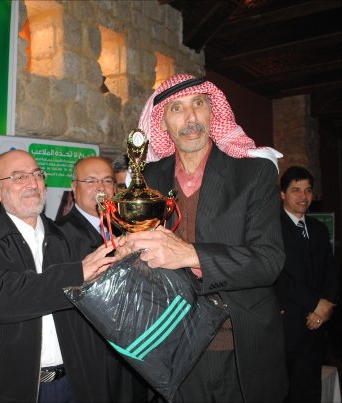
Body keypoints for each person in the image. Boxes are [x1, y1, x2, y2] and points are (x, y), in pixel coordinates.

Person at [121, 74, 288, 402]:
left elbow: (269, 261)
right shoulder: (148, 179)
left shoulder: (253, 173)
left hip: (237, 347)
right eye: (177, 109)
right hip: (171, 346)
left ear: (213, 112)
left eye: (199, 104)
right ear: (162, 123)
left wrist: (190, 254)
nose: (191, 118)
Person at [0, 149, 129, 402]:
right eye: (19, 177)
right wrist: (76, 273)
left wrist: (126, 265)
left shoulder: (66, 239)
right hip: (7, 389)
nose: (33, 183)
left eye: (37, 174)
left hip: (72, 385)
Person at [56, 156, 149, 402]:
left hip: (136, 348)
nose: (101, 188)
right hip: (93, 351)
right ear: (74, 188)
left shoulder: (129, 228)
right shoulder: (58, 236)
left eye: (107, 181)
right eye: (91, 181)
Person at [275, 166, 339, 402]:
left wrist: (326, 306)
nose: (303, 196)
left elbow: (331, 271)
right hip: (286, 329)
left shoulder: (319, 229)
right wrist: (315, 303)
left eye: (308, 190)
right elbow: (279, 275)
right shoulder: (271, 228)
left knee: (309, 393)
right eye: (296, 190)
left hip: (316, 328)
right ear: (282, 194)